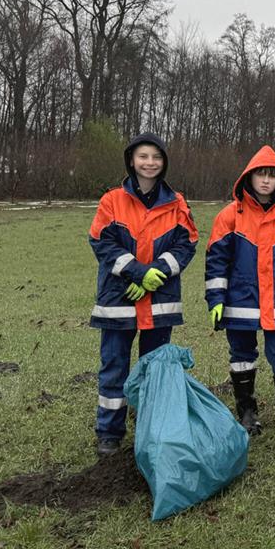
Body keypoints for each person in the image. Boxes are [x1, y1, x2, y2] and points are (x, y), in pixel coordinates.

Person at [88, 133, 198, 456]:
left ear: (164, 162)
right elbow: (101, 242)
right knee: (114, 368)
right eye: (143, 156)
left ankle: (152, 432)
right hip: (118, 301)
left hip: (160, 301)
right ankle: (109, 433)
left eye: (156, 157)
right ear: (132, 161)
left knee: (155, 370)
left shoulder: (177, 202)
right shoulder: (111, 201)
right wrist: (137, 273)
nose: (149, 163)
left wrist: (156, 275)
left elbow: (187, 244)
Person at [205, 145, 275, 436]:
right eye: (260, 175)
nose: (266, 181)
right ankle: (247, 413)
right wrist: (215, 299)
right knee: (242, 354)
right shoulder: (230, 216)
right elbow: (216, 261)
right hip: (240, 301)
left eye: (271, 176)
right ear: (249, 177)